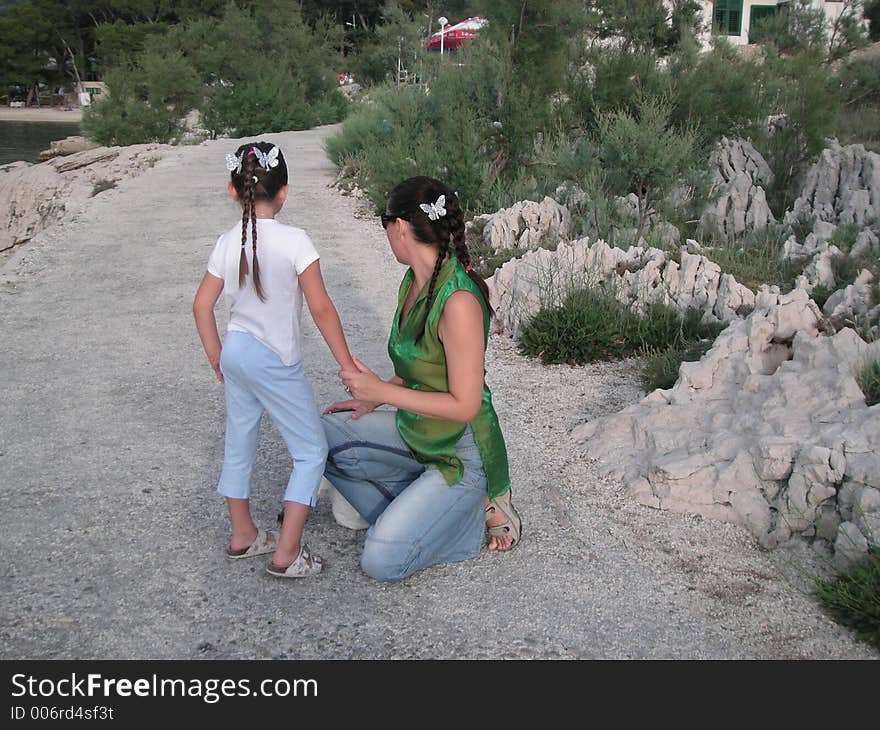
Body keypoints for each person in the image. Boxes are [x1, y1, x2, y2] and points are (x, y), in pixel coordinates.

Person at [321, 175, 522, 583]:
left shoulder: (459, 300)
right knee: (319, 433)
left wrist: (378, 390)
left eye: (385, 223)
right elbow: (422, 367)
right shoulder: (414, 281)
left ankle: (473, 510)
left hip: (460, 451)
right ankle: (420, 507)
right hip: (418, 432)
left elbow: (465, 405)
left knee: (379, 561)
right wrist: (377, 397)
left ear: (398, 227)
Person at [193, 141, 357, 579]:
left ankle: (243, 534)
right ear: (284, 193)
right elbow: (321, 308)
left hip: (237, 352)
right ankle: (287, 553)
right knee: (310, 451)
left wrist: (217, 358)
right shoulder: (295, 241)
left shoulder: (227, 242)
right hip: (274, 360)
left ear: (233, 191)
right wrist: (348, 364)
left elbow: (201, 305)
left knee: (239, 441)